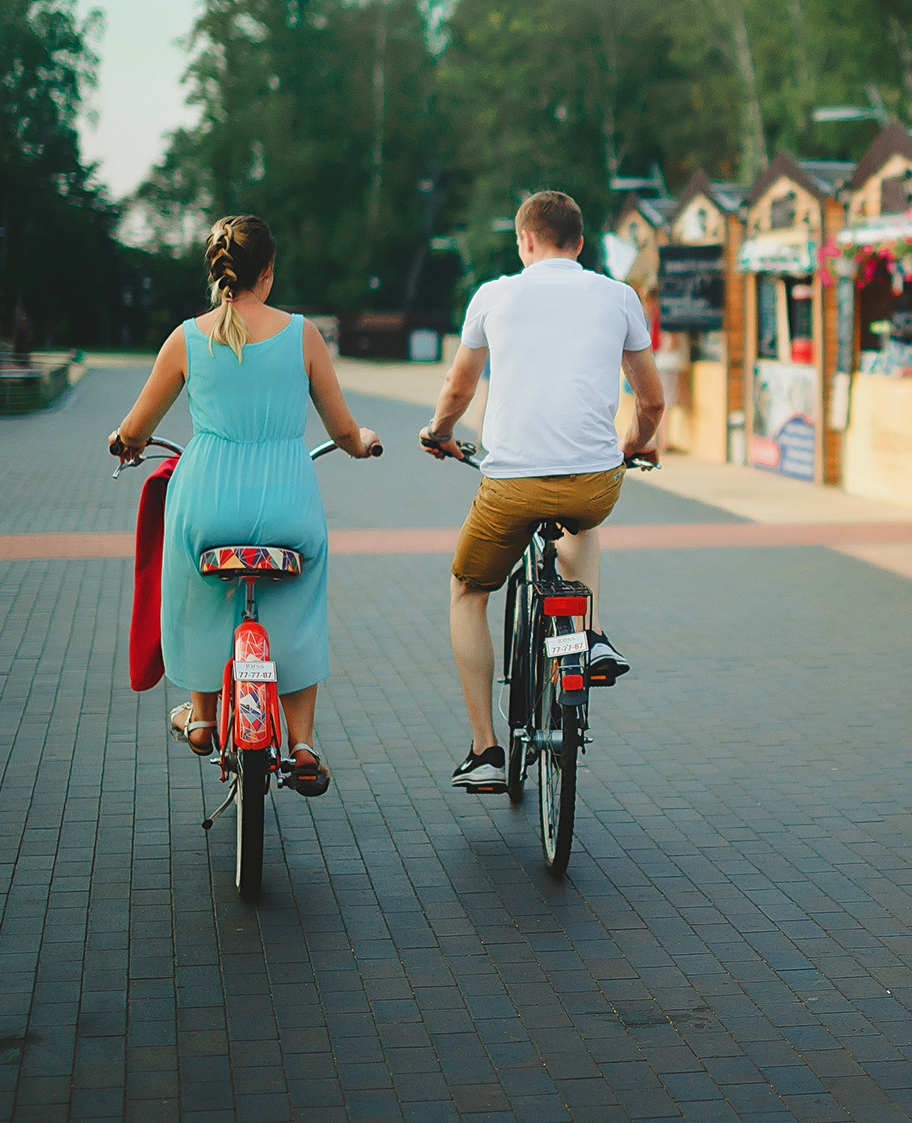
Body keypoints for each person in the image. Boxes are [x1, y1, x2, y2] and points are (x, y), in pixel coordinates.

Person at [110, 215, 379, 795]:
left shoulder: (186, 337)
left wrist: (126, 443)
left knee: (193, 587)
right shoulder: (303, 335)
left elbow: (136, 427)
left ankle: (202, 716)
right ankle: (302, 743)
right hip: (288, 502)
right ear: (269, 272)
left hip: (206, 503)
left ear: (216, 271)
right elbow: (343, 427)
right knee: (302, 601)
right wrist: (362, 443)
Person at [421, 190, 663, 793]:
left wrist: (439, 432)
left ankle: (483, 749)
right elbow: (651, 400)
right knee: (582, 520)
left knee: (468, 590)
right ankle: (594, 635)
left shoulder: (494, 295)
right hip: (591, 483)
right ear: (580, 244)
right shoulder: (619, 296)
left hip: (509, 486)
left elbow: (458, 387)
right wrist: (635, 444)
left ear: (524, 241)